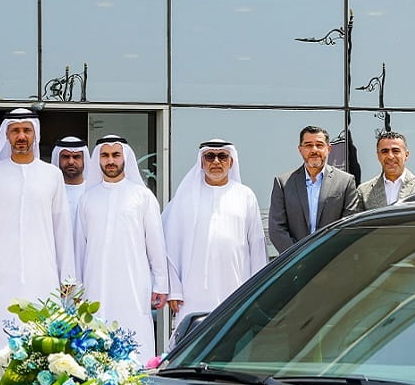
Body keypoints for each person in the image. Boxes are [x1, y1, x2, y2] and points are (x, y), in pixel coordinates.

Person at [0, 108, 74, 357]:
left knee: (43, 342)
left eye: (27, 130)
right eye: (15, 130)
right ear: (7, 135)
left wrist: (67, 275)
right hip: (0, 275)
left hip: (44, 274)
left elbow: (62, 227)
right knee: (1, 342)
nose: (21, 136)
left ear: (35, 135)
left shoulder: (52, 175)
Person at [76, 135, 170, 353]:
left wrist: (161, 284)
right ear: (98, 159)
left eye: (116, 155)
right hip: (95, 282)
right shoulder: (87, 199)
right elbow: (79, 247)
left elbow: (155, 243)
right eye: (105, 155)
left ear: (125, 157)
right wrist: (77, 287)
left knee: (135, 333)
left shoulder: (142, 196)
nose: (111, 160)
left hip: (134, 282)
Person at [165, 140, 266, 327]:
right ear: (202, 162)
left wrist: (257, 290)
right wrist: (174, 290)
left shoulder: (245, 196)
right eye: (210, 156)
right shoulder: (184, 199)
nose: (216, 161)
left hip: (236, 285)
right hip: (192, 291)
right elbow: (169, 247)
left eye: (222, 156)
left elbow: (257, 245)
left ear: (231, 162)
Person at [267, 124, 359, 254]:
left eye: (319, 145)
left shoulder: (345, 182)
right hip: (295, 264)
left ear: (328, 148)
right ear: (300, 149)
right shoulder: (283, 183)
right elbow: (277, 229)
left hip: (332, 262)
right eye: (308, 145)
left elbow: (349, 227)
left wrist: (323, 259)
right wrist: (298, 258)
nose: (314, 150)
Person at [355, 130, 415, 211]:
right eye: (385, 151)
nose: (390, 156)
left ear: (406, 155)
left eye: (395, 151)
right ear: (378, 156)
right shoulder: (364, 192)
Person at [52, 136, 89, 230]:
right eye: (65, 157)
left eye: (76, 157)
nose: (71, 162)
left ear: (84, 160)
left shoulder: (92, 191)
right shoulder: (49, 192)